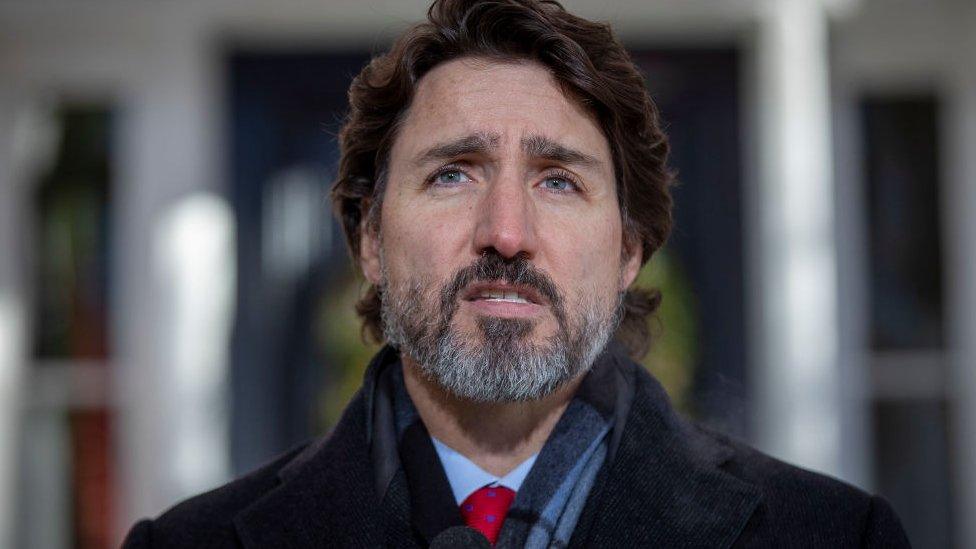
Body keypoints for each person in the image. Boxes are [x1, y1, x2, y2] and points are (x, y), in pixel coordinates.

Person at [124, 0, 911, 547]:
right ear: (369, 238)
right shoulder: (188, 544)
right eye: (453, 174)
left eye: (558, 180)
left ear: (629, 249)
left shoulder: (839, 535)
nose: (506, 233)